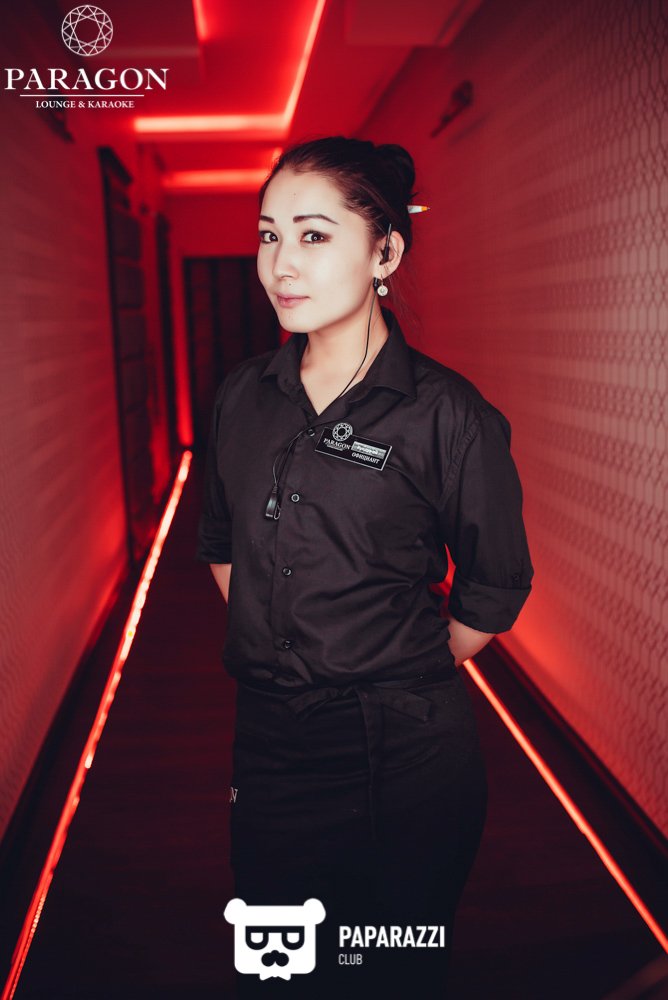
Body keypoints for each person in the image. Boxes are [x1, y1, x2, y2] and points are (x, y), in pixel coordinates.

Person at [196, 136, 534, 998]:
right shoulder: (242, 396)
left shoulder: (447, 415)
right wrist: (286, 639)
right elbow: (223, 544)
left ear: (386, 253)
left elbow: (494, 585)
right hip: (269, 743)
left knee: (389, 972)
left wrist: (393, 662)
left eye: (313, 235)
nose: (282, 263)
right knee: (280, 966)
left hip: (404, 755)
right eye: (269, 235)